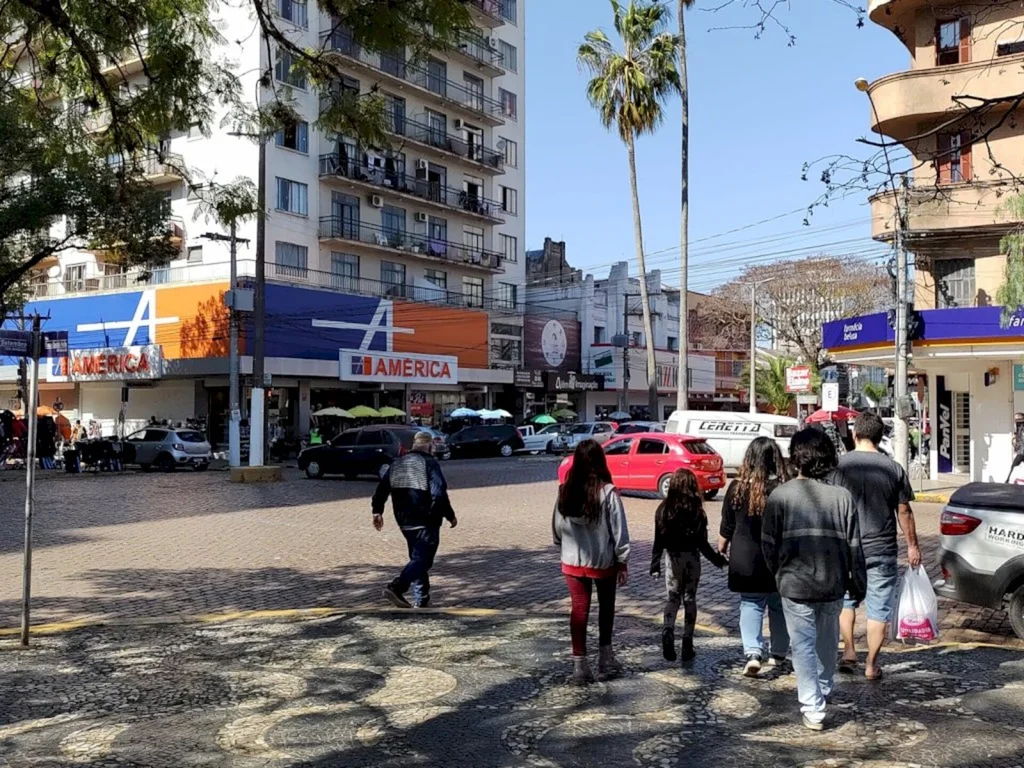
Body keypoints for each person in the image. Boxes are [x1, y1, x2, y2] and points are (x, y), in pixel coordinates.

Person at [763, 427, 866, 731]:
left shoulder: (780, 496)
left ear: (796, 458)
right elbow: (855, 546)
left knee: (804, 645)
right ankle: (819, 693)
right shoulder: (842, 498)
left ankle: (813, 704)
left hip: (794, 583)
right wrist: (858, 581)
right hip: (833, 583)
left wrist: (779, 573)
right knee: (826, 642)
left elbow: (768, 544)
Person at [831, 411, 920, 681]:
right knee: (879, 608)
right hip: (882, 549)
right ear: (880, 438)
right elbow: (904, 511)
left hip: (847, 548)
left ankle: (849, 651)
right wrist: (912, 546)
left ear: (854, 434)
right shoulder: (893, 468)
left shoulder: (839, 467)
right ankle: (871, 664)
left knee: (846, 601)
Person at [553, 440, 630, 684]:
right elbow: (619, 530)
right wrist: (622, 560)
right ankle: (606, 659)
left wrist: (562, 546)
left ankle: (579, 665)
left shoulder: (565, 491)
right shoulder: (608, 493)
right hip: (602, 561)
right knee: (606, 608)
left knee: (578, 610)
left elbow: (557, 527)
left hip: (572, 560)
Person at [718, 437, 791, 677]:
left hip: (745, 558)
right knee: (778, 606)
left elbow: (726, 527)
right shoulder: (783, 489)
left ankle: (753, 653)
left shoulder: (737, 488)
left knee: (750, 604)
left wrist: (722, 548)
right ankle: (779, 653)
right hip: (777, 559)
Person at [372, 432, 457, 609]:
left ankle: (421, 598)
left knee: (417, 558)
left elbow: (382, 488)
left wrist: (377, 510)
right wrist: (449, 515)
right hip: (426, 519)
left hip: (404, 520)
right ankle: (397, 587)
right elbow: (438, 493)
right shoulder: (429, 463)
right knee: (424, 560)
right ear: (430, 445)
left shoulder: (397, 463)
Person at [651, 468, 727, 663]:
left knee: (673, 598)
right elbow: (702, 543)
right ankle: (687, 642)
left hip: (673, 558)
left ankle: (668, 630)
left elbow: (658, 540)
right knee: (690, 599)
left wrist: (655, 564)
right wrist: (717, 560)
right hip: (692, 558)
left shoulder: (664, 509)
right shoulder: (697, 511)